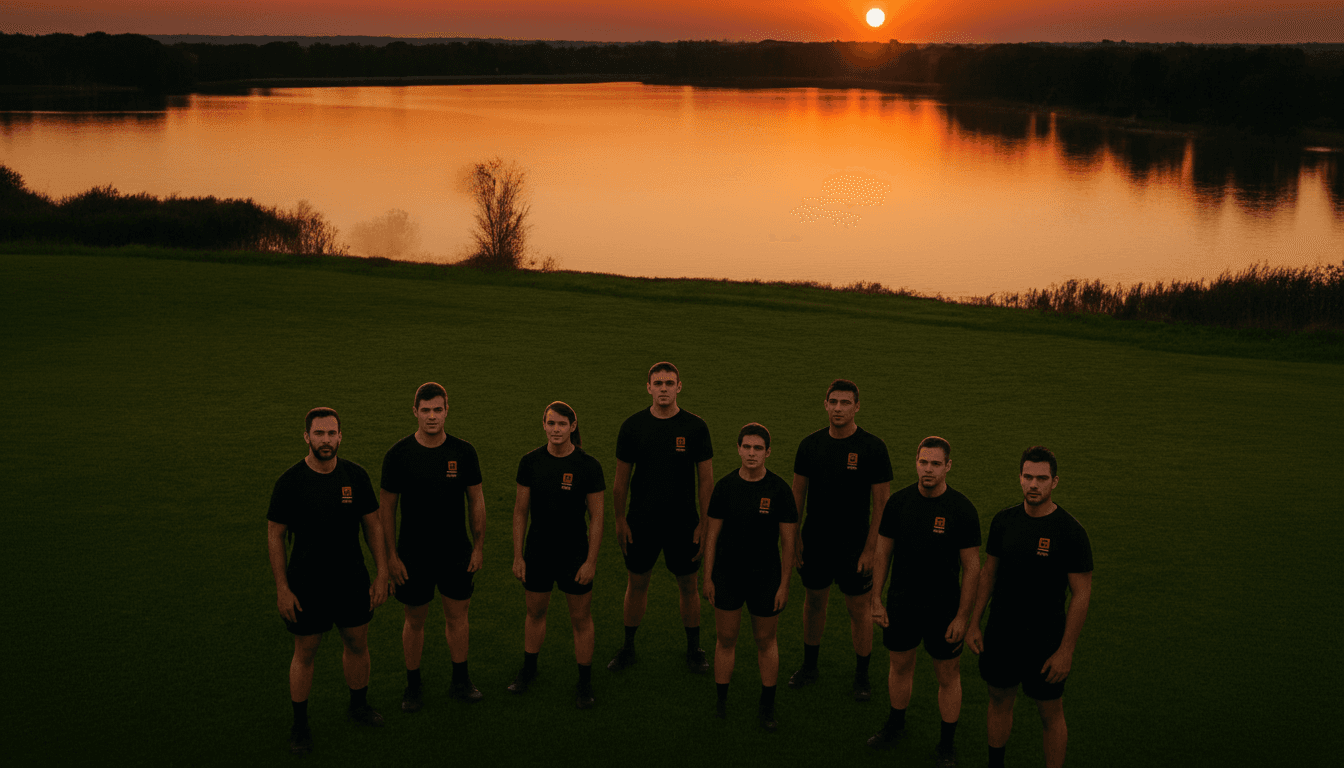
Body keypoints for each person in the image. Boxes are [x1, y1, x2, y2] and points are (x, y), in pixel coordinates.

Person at [266, 407, 389, 756]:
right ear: (306, 437)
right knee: (305, 651)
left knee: (356, 642)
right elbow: (275, 535)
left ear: (340, 436)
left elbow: (373, 526)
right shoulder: (290, 482)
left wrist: (381, 573)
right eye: (318, 434)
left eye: (331, 434)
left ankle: (358, 705)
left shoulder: (355, 475)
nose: (326, 440)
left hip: (351, 580)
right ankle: (300, 724)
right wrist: (282, 588)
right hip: (306, 584)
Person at [967, 447, 1093, 768]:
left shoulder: (1071, 532)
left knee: (1050, 711)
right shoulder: (1003, 521)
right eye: (1028, 477)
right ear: (1019, 478)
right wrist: (974, 623)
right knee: (998, 700)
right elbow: (989, 573)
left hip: (1045, 639)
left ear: (1055, 482)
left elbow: (1081, 594)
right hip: (1002, 633)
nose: (1033, 484)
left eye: (1041, 478)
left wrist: (1066, 650)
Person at [869, 437, 982, 767]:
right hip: (902, 603)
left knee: (947, 675)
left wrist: (962, 617)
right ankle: (896, 725)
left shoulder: (961, 509)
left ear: (948, 466)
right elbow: (883, 552)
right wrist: (876, 598)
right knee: (900, 665)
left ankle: (946, 743)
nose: (928, 469)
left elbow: (972, 568)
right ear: (916, 462)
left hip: (944, 608)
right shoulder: (899, 503)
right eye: (923, 462)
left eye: (935, 463)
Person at [378, 382, 486, 713]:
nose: (431, 416)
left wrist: (478, 546)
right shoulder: (398, 455)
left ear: (447, 410)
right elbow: (386, 510)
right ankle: (413, 686)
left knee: (458, 617)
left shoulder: (463, 452)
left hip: (455, 552)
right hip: (413, 555)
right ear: (415, 412)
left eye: (437, 409)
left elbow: (476, 501)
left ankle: (460, 681)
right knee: (414, 620)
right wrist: (391, 558)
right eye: (425, 410)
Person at [788, 379, 893, 700]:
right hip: (816, 542)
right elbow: (797, 497)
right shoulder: (810, 446)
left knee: (858, 609)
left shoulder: (873, 448)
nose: (838, 408)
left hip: (855, 547)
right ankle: (809, 666)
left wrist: (871, 549)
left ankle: (861, 676)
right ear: (825, 404)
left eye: (845, 403)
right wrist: (794, 541)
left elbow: (882, 505)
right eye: (833, 402)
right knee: (814, 602)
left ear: (857, 406)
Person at [608, 361, 715, 674]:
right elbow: (620, 481)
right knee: (637, 583)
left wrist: (704, 523)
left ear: (679, 387)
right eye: (659, 383)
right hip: (641, 521)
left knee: (688, 585)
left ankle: (694, 649)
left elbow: (706, 480)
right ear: (649, 387)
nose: (664, 389)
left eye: (670, 383)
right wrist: (619, 519)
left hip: (683, 522)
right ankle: (627, 647)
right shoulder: (633, 426)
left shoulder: (695, 427)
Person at [508, 401, 606, 709]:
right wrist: (517, 555)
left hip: (574, 554)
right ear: (544, 425)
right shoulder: (531, 462)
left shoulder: (588, 466)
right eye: (551, 424)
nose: (555, 430)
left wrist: (591, 561)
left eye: (562, 424)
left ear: (572, 427)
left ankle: (585, 682)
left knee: (580, 618)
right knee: (535, 613)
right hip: (537, 551)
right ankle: (529, 670)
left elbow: (598, 517)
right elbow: (520, 512)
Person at [702, 423, 798, 733]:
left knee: (765, 640)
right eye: (747, 447)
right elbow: (712, 537)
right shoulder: (725, 487)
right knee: (726, 639)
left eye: (758, 448)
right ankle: (720, 702)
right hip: (728, 576)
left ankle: (766, 707)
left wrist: (784, 584)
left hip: (766, 578)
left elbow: (788, 544)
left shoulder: (780, 490)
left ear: (768, 452)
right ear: (739, 449)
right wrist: (708, 577)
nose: (752, 453)